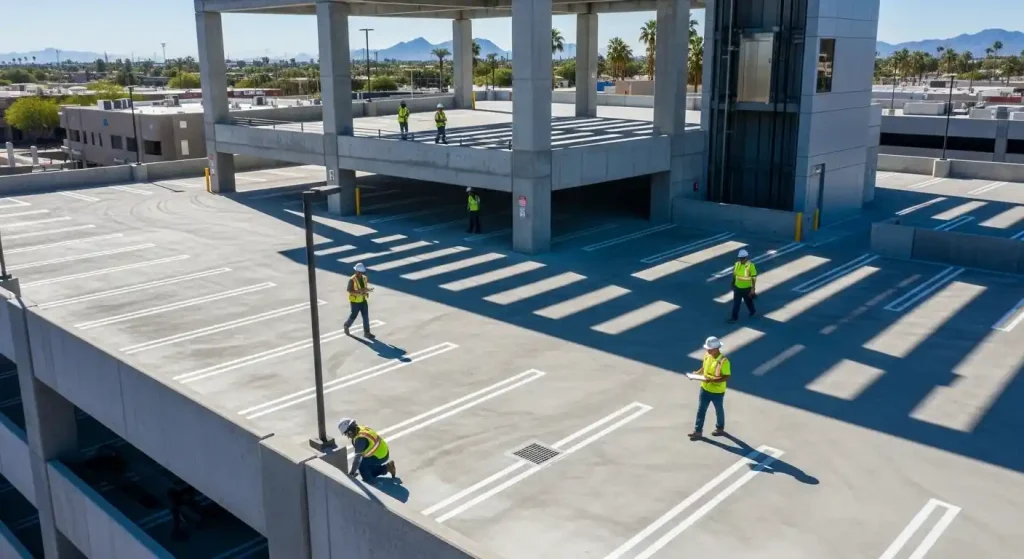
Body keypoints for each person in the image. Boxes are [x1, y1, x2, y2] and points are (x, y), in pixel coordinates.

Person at [688, 336, 730, 440]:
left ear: (716, 349)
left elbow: (726, 376)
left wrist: (712, 380)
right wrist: (698, 373)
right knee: (701, 410)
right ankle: (698, 431)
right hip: (705, 389)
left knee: (718, 410)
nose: (708, 350)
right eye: (707, 348)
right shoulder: (707, 355)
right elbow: (705, 366)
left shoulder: (724, 361)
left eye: (710, 349)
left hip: (717, 391)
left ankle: (720, 428)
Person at [338, 418, 397, 484]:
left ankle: (371, 482)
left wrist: (351, 474)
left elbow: (357, 459)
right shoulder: (360, 429)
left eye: (346, 434)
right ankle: (388, 467)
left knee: (362, 466)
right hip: (382, 451)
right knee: (366, 470)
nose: (347, 436)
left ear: (350, 431)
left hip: (380, 456)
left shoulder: (360, 439)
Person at [344, 263, 374, 338]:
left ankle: (367, 333)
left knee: (365, 317)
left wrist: (367, 290)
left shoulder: (364, 278)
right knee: (353, 315)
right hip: (355, 302)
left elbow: (364, 287)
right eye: (359, 272)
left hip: (363, 300)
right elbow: (349, 291)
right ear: (357, 271)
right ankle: (346, 325)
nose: (360, 274)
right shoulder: (352, 280)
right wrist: (358, 292)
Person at [728, 249, 757, 324]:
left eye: (742, 258)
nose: (741, 260)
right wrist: (733, 282)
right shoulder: (737, 264)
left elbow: (753, 277)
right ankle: (734, 318)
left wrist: (753, 288)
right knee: (736, 304)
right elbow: (735, 274)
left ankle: (752, 311)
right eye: (740, 258)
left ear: (746, 258)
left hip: (747, 288)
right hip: (738, 288)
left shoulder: (750, 266)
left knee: (748, 302)